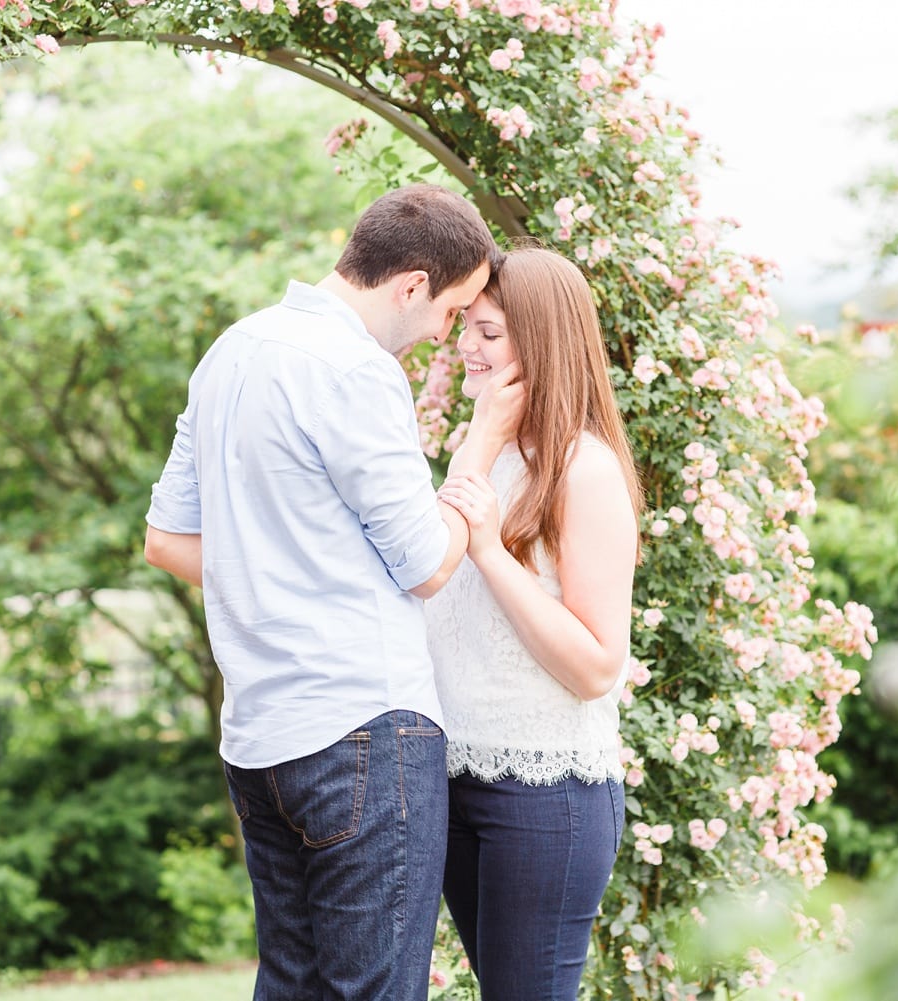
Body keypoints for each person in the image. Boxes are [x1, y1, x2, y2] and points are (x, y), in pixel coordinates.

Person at [142, 184, 524, 1001]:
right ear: (412, 284)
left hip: (259, 742)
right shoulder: (357, 370)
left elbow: (167, 540)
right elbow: (426, 562)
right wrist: (478, 452)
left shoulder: (231, 352)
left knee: (292, 987)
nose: (442, 334)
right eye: (452, 311)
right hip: (364, 729)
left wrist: (282, 568)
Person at [427, 247, 642, 1000]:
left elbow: (594, 666)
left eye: (488, 332)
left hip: (547, 792)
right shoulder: (481, 451)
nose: (466, 347)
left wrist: (489, 551)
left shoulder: (583, 469)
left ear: (540, 339)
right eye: (466, 327)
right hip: (458, 779)